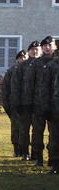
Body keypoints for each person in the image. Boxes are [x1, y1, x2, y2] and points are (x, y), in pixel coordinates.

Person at [24, 36, 57, 167]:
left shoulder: (56, 63)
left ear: (55, 47)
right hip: (38, 104)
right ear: (42, 48)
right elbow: (29, 84)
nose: (48, 48)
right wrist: (28, 103)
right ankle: (38, 155)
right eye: (45, 46)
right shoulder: (36, 64)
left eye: (50, 45)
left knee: (54, 133)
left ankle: (53, 158)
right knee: (37, 131)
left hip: (54, 104)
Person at [2, 50, 27, 157]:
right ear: (17, 59)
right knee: (16, 128)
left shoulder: (30, 70)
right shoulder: (11, 72)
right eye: (21, 57)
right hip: (14, 104)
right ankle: (17, 149)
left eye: (25, 57)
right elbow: (5, 89)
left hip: (28, 103)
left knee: (25, 128)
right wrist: (6, 105)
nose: (23, 59)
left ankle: (26, 150)